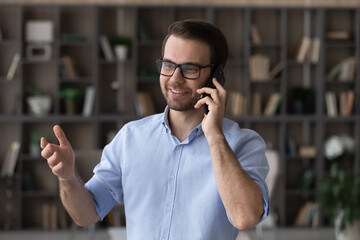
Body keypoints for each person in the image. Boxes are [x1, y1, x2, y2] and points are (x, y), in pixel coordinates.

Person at [41, 19, 269, 240]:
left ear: (216, 76)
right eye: (168, 65)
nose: (175, 79)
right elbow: (86, 214)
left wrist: (215, 135)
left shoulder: (243, 143)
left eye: (190, 68)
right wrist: (68, 177)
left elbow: (245, 218)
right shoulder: (130, 138)